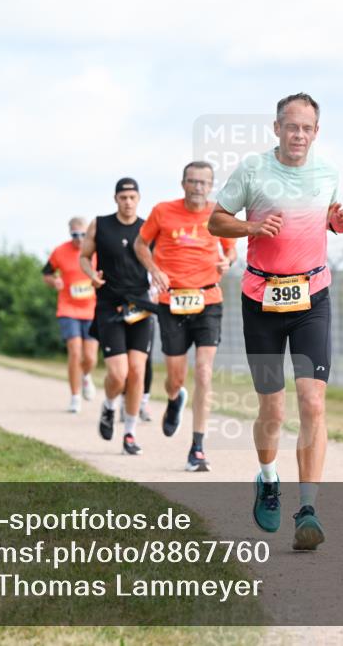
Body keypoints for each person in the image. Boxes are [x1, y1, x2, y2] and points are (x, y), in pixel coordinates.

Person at [209, 93, 343, 550]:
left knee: (312, 403)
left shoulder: (327, 173)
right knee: (272, 410)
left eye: (308, 128)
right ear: (276, 128)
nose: (299, 135)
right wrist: (251, 228)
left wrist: (338, 221)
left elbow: (322, 219)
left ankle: (308, 508)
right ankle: (268, 478)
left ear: (317, 132)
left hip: (312, 297)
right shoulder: (253, 170)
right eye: (292, 127)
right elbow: (216, 222)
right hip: (262, 301)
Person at [135, 161, 238, 472]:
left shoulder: (220, 213)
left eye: (204, 182)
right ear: (183, 184)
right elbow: (141, 244)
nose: (198, 187)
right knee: (176, 377)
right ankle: (173, 398)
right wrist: (154, 271)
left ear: (211, 186)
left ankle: (197, 448)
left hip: (208, 299)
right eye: (192, 181)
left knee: (204, 372)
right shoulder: (163, 211)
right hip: (172, 300)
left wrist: (228, 263)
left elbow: (231, 250)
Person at [80, 177, 154, 455]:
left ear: (139, 199)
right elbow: (84, 257)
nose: (128, 202)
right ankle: (110, 406)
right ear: (115, 199)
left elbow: (160, 261)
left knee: (136, 372)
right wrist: (91, 276)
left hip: (140, 306)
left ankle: (130, 434)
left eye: (132, 197)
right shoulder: (100, 224)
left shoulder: (148, 229)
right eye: (123, 198)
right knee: (118, 373)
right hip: (109, 305)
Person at [43, 218, 98, 413]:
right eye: (75, 235)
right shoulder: (60, 251)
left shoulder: (96, 251)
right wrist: (54, 282)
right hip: (68, 308)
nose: (79, 239)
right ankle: (75, 397)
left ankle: (86, 376)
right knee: (75, 352)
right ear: (70, 234)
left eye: (83, 234)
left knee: (90, 357)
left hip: (92, 309)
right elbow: (46, 274)